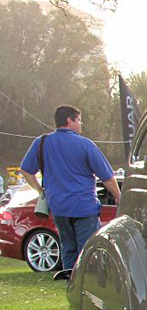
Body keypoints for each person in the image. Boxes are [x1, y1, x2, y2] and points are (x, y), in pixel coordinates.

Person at [19, 105, 120, 280]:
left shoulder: (41, 143)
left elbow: (26, 170)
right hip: (84, 206)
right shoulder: (85, 145)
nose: (81, 124)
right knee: (87, 248)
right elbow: (107, 177)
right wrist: (119, 196)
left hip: (58, 207)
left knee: (68, 248)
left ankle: (71, 284)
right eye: (79, 120)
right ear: (69, 121)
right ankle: (89, 284)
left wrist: (39, 189)